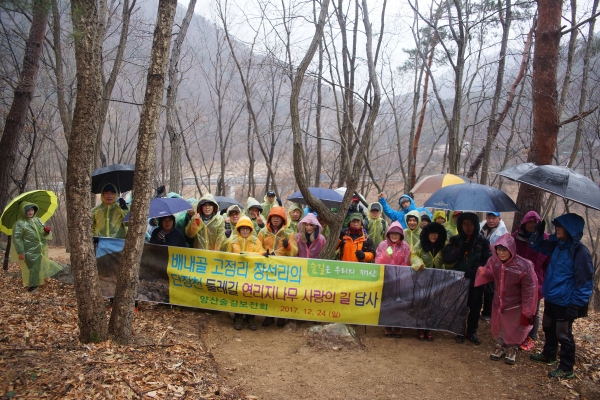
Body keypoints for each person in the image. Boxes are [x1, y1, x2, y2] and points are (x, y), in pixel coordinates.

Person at [529, 213, 593, 379]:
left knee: (563, 334)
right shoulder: (558, 245)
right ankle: (549, 355)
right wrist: (538, 231)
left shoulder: (580, 252)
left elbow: (585, 282)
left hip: (566, 301)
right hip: (552, 296)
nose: (556, 229)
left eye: (560, 227)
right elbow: (536, 246)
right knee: (549, 327)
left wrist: (575, 305)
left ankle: (566, 367)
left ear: (570, 230)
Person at [474, 234, 537, 365]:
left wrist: (528, 308)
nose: (501, 253)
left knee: (515, 326)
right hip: (499, 299)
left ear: (511, 249)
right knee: (500, 323)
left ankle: (512, 348)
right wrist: (484, 273)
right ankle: (500, 345)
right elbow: (492, 275)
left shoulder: (523, 265)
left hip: (516, 302)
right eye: (499, 250)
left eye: (504, 250)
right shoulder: (494, 261)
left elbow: (529, 288)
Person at [443, 212, 491, 345]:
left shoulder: (483, 241)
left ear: (475, 225)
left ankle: (472, 332)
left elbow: (489, 260)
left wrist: (476, 270)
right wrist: (460, 250)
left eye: (471, 224)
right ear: (460, 225)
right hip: (458, 280)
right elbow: (446, 258)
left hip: (476, 280)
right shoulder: (454, 240)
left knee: (475, 308)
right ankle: (459, 330)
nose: (468, 227)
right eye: (465, 224)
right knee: (459, 307)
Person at [512, 211, 549, 351]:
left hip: (536, 280)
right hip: (518, 278)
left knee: (533, 310)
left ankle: (530, 336)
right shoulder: (517, 237)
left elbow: (548, 261)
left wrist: (542, 277)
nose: (531, 225)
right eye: (529, 222)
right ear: (524, 223)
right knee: (517, 307)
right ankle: (517, 333)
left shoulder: (544, 239)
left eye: (534, 223)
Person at [258, 206, 298, 327]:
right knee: (269, 292)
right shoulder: (263, 232)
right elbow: (257, 246)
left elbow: (295, 251)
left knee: (281, 293)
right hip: (267, 266)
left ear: (283, 219)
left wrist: (288, 246)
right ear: (270, 217)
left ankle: (281, 316)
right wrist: (263, 253)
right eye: (273, 216)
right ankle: (269, 316)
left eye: (278, 217)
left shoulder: (289, 233)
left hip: (282, 267)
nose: (275, 219)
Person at [410, 221, 448, 342]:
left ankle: (430, 327)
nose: (433, 236)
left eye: (436, 233)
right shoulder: (420, 245)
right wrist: (419, 263)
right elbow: (413, 255)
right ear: (427, 234)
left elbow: (448, 259)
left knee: (434, 304)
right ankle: (421, 327)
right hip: (422, 279)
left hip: (438, 280)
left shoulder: (443, 246)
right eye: (431, 233)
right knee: (422, 303)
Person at [12, 202, 62, 291]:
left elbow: (42, 233)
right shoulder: (20, 223)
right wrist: (21, 252)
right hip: (28, 250)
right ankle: (32, 287)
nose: (30, 212)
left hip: (39, 249)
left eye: (32, 210)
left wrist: (46, 231)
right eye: (28, 210)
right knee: (33, 268)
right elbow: (17, 239)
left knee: (38, 267)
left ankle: (35, 284)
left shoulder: (38, 220)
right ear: (24, 211)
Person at [226, 216, 265, 330]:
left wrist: (247, 254)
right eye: (242, 228)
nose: (244, 231)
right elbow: (227, 254)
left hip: (251, 274)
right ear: (238, 229)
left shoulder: (255, 240)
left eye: (247, 229)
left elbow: (260, 253)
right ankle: (238, 317)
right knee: (238, 294)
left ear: (250, 229)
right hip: (237, 273)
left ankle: (251, 317)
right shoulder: (232, 240)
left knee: (250, 295)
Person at [375, 221, 411, 339]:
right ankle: (387, 326)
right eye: (392, 233)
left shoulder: (405, 246)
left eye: (397, 233)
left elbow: (407, 263)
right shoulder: (382, 245)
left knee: (399, 303)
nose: (394, 235)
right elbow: (378, 262)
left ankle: (398, 326)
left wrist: (401, 278)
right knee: (386, 302)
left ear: (401, 234)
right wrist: (386, 254)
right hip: (386, 279)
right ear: (388, 233)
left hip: (400, 280)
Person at [479, 212, 509, 322]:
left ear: (499, 219)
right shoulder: (481, 227)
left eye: (494, 218)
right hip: (480, 261)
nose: (491, 220)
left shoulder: (503, 232)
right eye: (489, 218)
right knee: (478, 287)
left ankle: (487, 312)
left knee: (490, 289)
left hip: (494, 263)